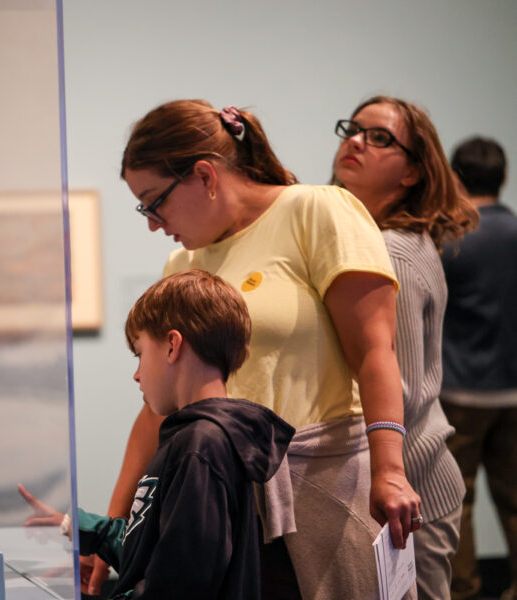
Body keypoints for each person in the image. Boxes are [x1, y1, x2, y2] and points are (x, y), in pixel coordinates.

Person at [102, 99, 422, 600]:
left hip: (323, 492)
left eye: (153, 201)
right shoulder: (182, 263)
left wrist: (390, 470)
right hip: (224, 510)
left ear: (205, 176)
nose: (152, 222)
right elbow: (158, 410)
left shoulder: (317, 210)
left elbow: (375, 354)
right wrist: (116, 522)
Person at [20, 269, 294, 599]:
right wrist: (72, 525)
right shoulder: (189, 438)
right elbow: (151, 551)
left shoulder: (202, 447)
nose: (136, 374)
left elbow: (179, 584)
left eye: (139, 353)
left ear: (171, 346)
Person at [331, 95, 477, 600]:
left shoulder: (391, 249)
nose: (356, 141)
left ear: (412, 173)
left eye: (379, 137)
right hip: (395, 490)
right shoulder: (365, 238)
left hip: (411, 491)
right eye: (354, 129)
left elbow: (405, 390)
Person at [439, 137, 517, 600]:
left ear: (455, 178)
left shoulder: (453, 240)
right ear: (504, 176)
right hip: (514, 391)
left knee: (457, 502)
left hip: (461, 392)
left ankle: (463, 592)